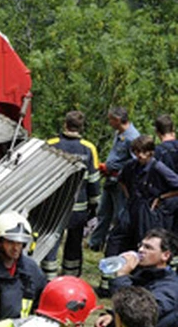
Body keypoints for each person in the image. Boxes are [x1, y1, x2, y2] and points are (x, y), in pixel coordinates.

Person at [43, 110, 100, 278]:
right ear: (81, 128)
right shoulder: (89, 148)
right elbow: (94, 181)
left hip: (54, 206)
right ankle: (71, 278)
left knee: (51, 241)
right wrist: (94, 206)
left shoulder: (50, 143)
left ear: (65, 124)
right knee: (74, 245)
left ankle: (48, 279)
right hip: (79, 208)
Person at [96, 228, 178, 327]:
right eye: (141, 245)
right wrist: (113, 318)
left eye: (148, 248)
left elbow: (138, 314)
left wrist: (122, 277)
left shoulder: (170, 288)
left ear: (165, 255)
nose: (140, 250)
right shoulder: (143, 274)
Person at [107, 135, 178, 259]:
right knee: (118, 237)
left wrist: (161, 198)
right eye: (137, 152)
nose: (140, 155)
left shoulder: (158, 167)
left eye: (144, 152)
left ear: (150, 152)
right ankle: (114, 265)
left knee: (144, 240)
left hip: (148, 209)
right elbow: (121, 180)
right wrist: (128, 195)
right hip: (132, 205)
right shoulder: (131, 165)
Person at [88, 106, 140, 252]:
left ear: (117, 120)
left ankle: (117, 245)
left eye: (111, 119)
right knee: (103, 212)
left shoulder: (132, 137)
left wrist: (117, 171)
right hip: (110, 179)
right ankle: (95, 242)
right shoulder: (119, 133)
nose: (109, 122)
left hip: (120, 183)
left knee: (119, 215)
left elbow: (135, 163)